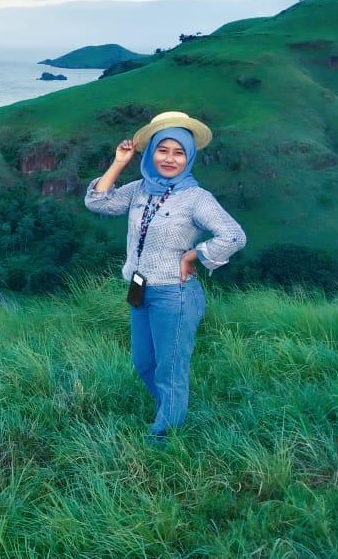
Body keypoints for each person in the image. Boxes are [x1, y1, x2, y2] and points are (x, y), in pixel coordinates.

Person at [83, 111, 247, 444]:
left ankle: (164, 438)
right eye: (163, 150)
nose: (170, 159)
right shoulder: (140, 189)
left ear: (189, 157)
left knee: (170, 371)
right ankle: (170, 411)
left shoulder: (196, 197)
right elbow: (97, 201)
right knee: (144, 362)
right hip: (140, 288)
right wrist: (119, 162)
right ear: (152, 151)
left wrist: (195, 254)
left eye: (179, 152)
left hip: (175, 294)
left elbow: (233, 235)